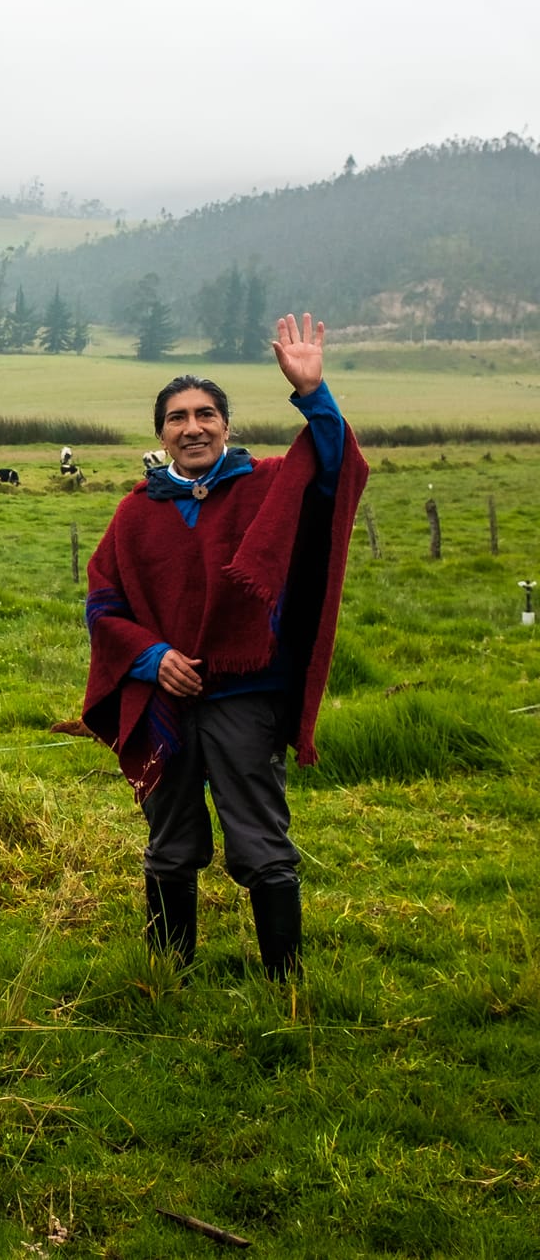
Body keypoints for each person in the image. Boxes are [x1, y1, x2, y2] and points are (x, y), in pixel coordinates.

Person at [83, 314, 367, 979]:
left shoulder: (266, 485)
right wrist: (153, 658)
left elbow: (335, 470)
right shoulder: (136, 512)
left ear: (226, 425)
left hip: (245, 693)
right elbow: (104, 602)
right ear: (162, 434)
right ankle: (166, 978)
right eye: (178, 416)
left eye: (206, 413)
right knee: (170, 841)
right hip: (164, 699)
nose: (193, 427)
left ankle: (284, 983)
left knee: (261, 839)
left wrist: (313, 392)